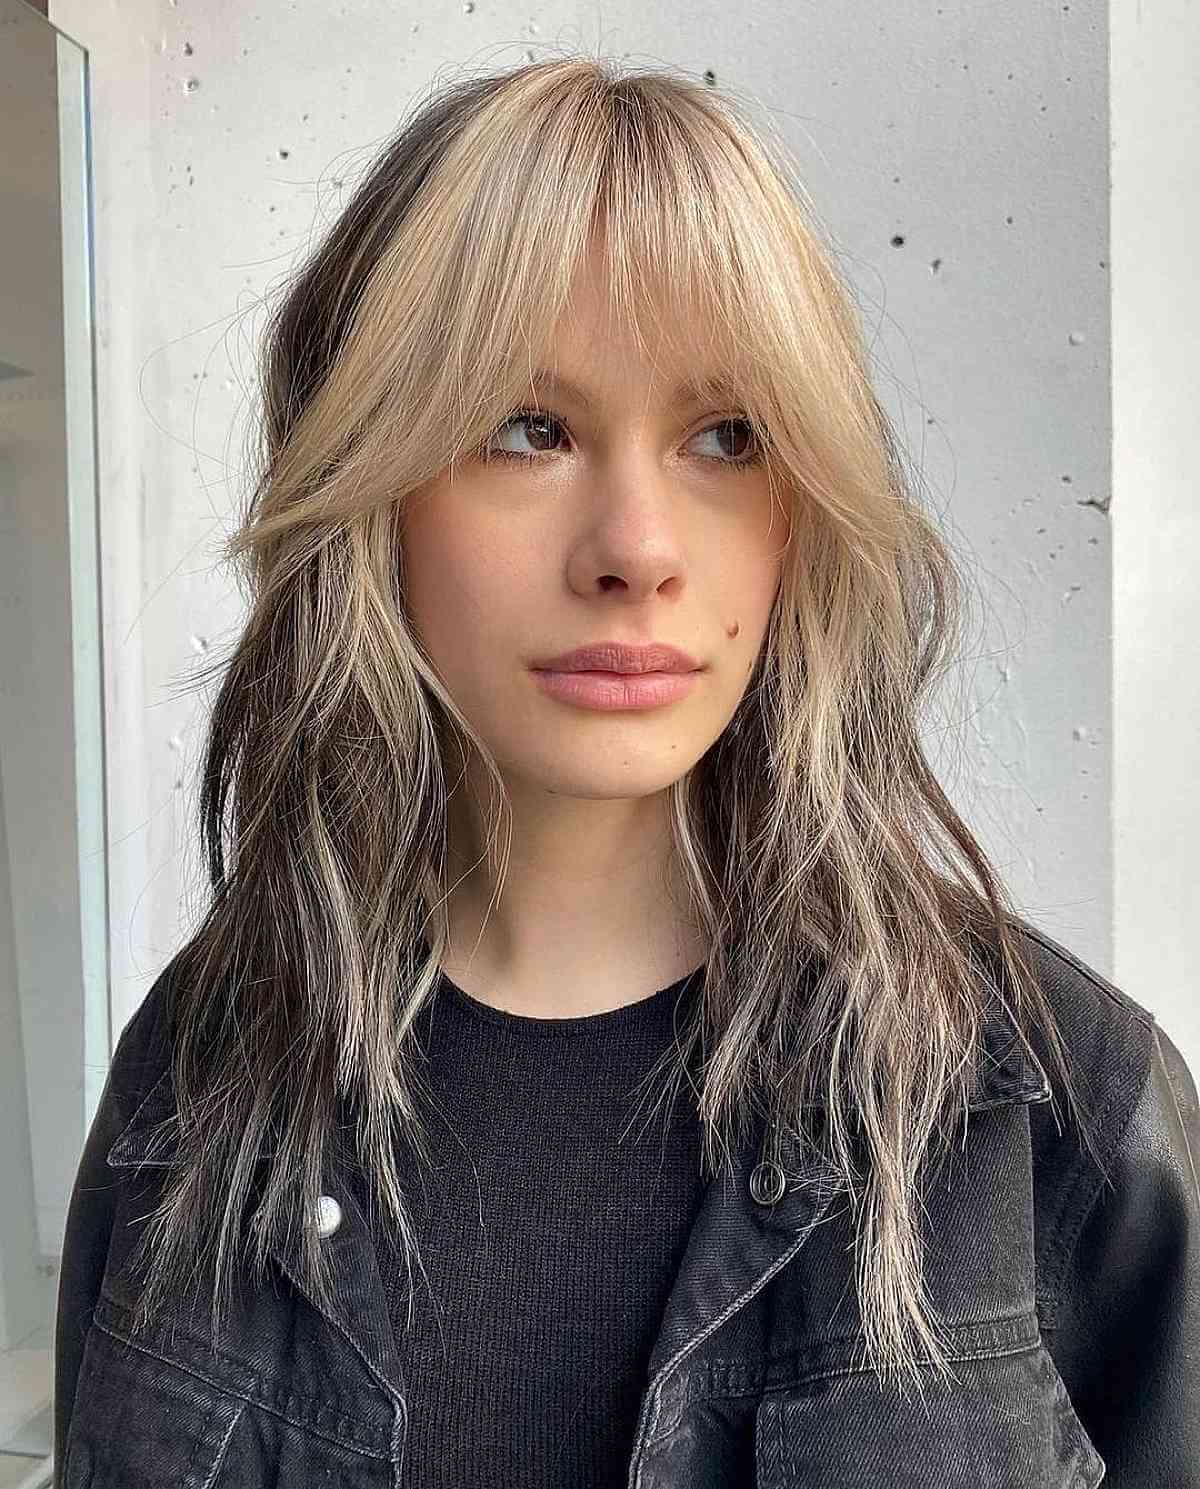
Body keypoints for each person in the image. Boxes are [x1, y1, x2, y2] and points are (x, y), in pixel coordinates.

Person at [52, 54, 1197, 1489]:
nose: (639, 549)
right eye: (528, 429)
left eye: (728, 437)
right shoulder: (200, 1079)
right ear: (372, 488)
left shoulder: (1051, 1110)